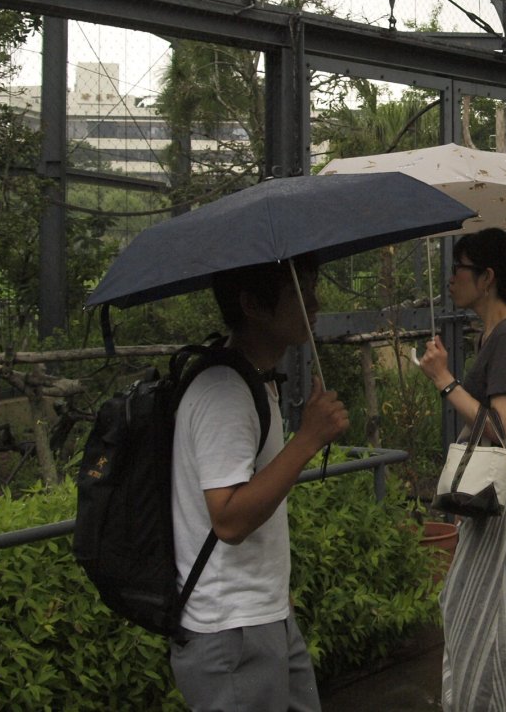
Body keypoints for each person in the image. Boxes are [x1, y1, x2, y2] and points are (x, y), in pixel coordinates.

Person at [169, 254, 350, 712]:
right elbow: (228, 520)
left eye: (311, 284)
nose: (315, 301)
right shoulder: (224, 391)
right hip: (231, 631)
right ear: (252, 304)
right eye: (297, 290)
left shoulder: (255, 378)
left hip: (264, 614)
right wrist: (307, 439)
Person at [418, 227, 506, 711]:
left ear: (487, 277)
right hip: (504, 498)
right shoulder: (497, 333)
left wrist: (443, 379)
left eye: (458, 269)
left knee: (491, 621)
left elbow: (500, 425)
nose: (450, 279)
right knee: (483, 613)